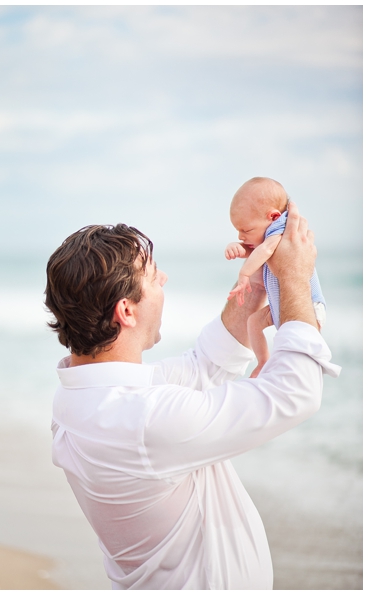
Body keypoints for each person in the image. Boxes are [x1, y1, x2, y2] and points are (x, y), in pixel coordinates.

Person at [46, 205, 339, 589]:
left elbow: (203, 367)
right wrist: (296, 278)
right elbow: (295, 393)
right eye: (153, 276)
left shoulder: (81, 399)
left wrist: (249, 294)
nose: (163, 278)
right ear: (126, 311)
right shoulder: (143, 421)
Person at [225, 177, 328, 377]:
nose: (240, 235)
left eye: (246, 230)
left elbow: (265, 251)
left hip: (308, 305)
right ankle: (264, 361)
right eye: (238, 231)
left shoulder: (280, 230)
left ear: (272, 216)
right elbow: (258, 251)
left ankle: (312, 368)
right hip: (281, 306)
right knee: (254, 322)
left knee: (302, 353)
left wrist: (244, 273)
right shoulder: (267, 234)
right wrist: (239, 248)